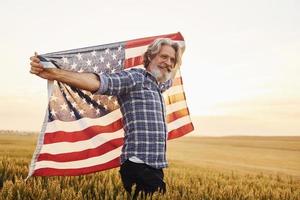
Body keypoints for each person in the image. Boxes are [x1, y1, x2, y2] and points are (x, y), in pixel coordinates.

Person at [30, 38, 182, 198]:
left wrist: (179, 46)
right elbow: (100, 82)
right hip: (139, 165)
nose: (168, 62)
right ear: (150, 56)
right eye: (164, 56)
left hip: (154, 166)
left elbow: (172, 71)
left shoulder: (158, 87)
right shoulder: (136, 78)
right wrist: (52, 72)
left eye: (172, 59)